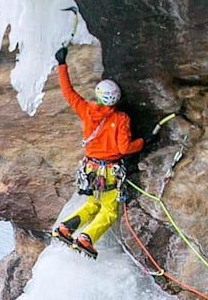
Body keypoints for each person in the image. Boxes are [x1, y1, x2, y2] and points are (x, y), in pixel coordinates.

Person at [52, 45, 142, 258]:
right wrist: (141, 143)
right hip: (109, 171)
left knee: (92, 203)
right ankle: (87, 238)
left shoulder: (86, 111)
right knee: (108, 211)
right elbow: (124, 148)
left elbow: (68, 92)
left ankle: (65, 228)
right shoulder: (121, 119)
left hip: (90, 168)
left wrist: (61, 64)